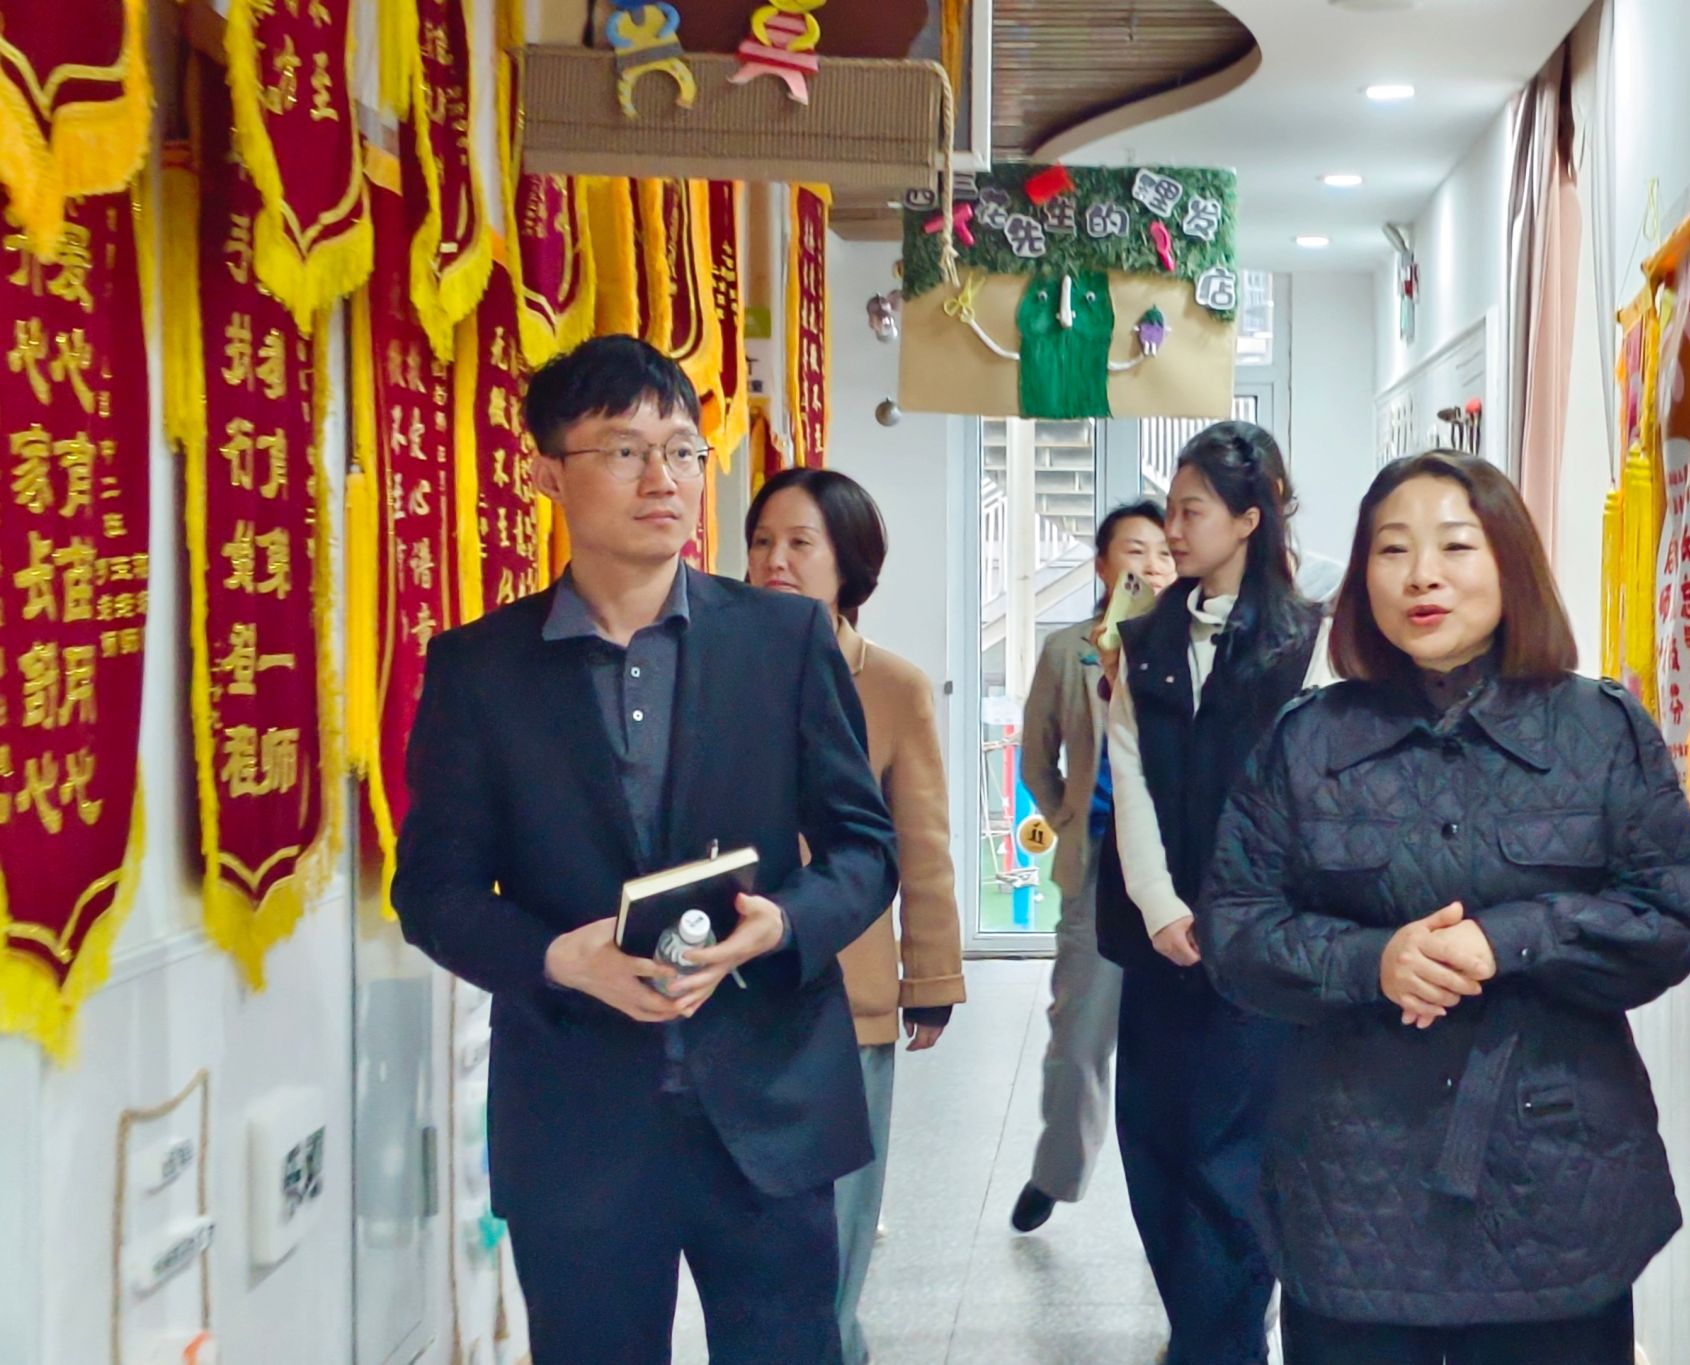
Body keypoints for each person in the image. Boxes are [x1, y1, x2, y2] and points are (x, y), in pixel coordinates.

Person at [392, 335, 898, 1365]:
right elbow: (433, 889)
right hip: (577, 1121)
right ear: (546, 472)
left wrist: (780, 925)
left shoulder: (782, 641)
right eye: (624, 450)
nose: (663, 478)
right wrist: (554, 957)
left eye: (681, 449)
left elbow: (864, 846)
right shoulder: (479, 670)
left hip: (769, 1111)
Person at [1200, 450, 1690, 1365]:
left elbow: (1679, 909)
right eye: (1392, 549)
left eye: (1454, 545)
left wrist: (1508, 940)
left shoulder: (1599, 731)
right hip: (1352, 1185)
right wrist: (1374, 961)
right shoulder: (1306, 740)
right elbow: (1235, 928)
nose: (1422, 575)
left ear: (1510, 561)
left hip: (1559, 1190)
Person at [1097, 421, 1333, 1365]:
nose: (1173, 528)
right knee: (1152, 1144)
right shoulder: (1145, 638)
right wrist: (1160, 906)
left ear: (1248, 518)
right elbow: (1129, 777)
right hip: (1161, 943)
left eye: (1192, 510)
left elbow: (1307, 797)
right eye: (1172, 508)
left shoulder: (1307, 641)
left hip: (1258, 950)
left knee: (1231, 1162)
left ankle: (1222, 1342)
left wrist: (1238, 913)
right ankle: (1207, 1333)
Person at [744, 467, 967, 1365]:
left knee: (838, 1219)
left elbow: (923, 842)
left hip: (851, 990)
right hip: (734, 984)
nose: (775, 560)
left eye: (801, 543)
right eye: (762, 541)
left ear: (850, 565)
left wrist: (931, 974)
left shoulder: (892, 686)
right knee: (758, 1233)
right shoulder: (716, 667)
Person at [1010, 500, 1178, 1235]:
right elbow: (1036, 757)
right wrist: (1071, 818)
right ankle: (1057, 1171)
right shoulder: (1067, 651)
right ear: (1104, 567)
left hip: (1181, 875)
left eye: (1165, 552)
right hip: (1099, 868)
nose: (1151, 565)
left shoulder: (1197, 648)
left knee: (1175, 1047)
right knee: (1079, 1034)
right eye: (1134, 550)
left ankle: (1176, 1197)